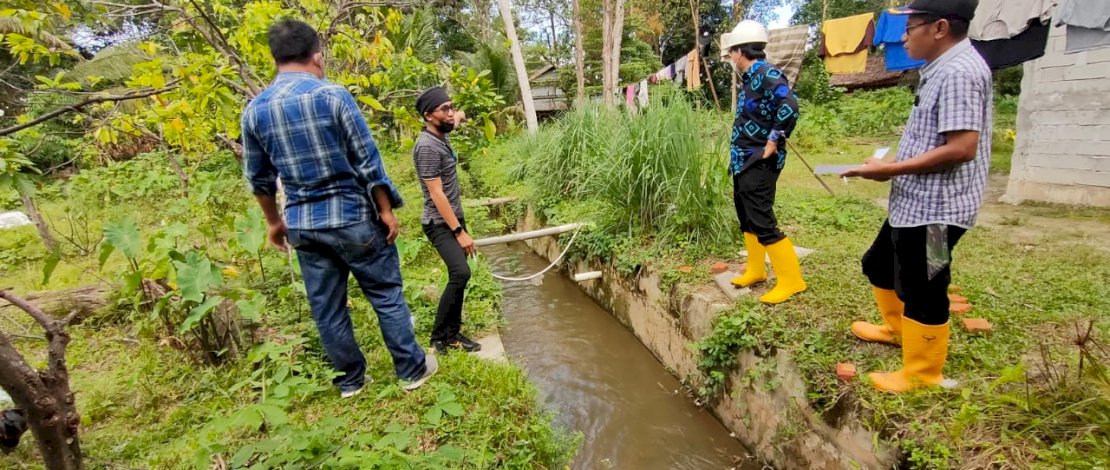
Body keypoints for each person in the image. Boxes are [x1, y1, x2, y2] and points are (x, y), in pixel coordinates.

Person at [241, 19, 437, 397]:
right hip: (352, 218)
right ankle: (411, 370)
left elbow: (258, 179)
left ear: (275, 58)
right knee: (385, 294)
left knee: (327, 307)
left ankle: (351, 381)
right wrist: (385, 209)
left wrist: (273, 223)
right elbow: (368, 162)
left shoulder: (254, 110)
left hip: (303, 224)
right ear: (317, 56)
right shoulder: (333, 96)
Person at [843, 0, 991, 393]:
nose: (904, 37)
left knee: (927, 282)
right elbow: (936, 137)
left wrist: (888, 170)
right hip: (914, 203)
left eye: (910, 28)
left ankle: (923, 374)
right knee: (879, 264)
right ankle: (899, 332)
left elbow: (962, 148)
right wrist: (893, 162)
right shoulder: (938, 70)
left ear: (939, 28)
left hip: (939, 211)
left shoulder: (959, 72)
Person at [719, 20, 807, 304]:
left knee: (762, 218)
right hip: (742, 159)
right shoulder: (749, 77)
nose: (730, 57)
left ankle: (792, 281)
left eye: (731, 51)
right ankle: (756, 270)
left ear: (739, 52)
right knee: (746, 215)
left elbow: (790, 106)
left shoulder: (766, 74)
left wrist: (773, 140)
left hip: (759, 159)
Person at [412, 87, 481, 353]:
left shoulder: (441, 133)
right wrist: (459, 231)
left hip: (454, 219)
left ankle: (452, 335)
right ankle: (438, 338)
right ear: (428, 116)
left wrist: (461, 116)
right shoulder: (427, 147)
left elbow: (458, 116)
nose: (451, 113)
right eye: (445, 110)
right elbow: (436, 193)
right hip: (439, 223)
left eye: (452, 107)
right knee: (461, 273)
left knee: (461, 276)